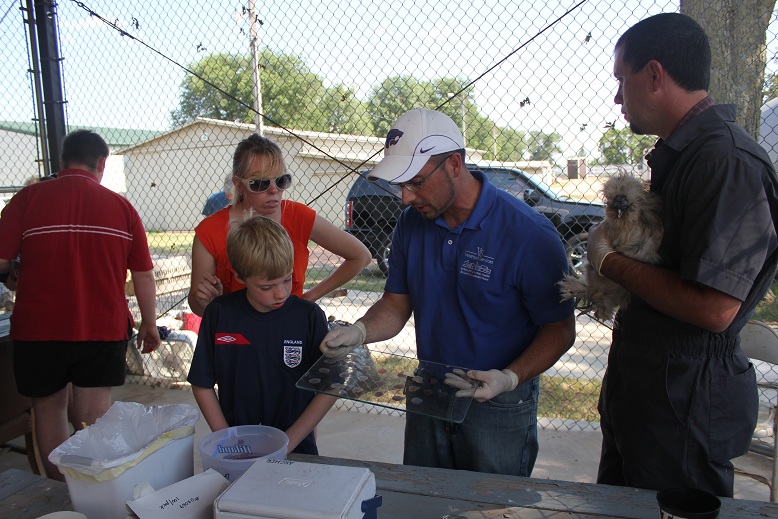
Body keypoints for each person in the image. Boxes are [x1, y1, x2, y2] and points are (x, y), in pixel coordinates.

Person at [319, 108, 576, 476]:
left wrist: (510, 377)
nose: (405, 198)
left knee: (491, 508)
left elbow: (560, 329)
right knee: (425, 497)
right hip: (431, 390)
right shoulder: (411, 224)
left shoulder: (528, 235)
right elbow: (395, 305)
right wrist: (360, 332)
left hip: (498, 400)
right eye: (400, 185)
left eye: (417, 182)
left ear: (454, 164)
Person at [589, 12, 778, 498]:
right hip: (652, 390)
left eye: (621, 81)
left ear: (654, 75)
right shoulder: (683, 155)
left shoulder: (725, 162)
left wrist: (610, 263)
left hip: (685, 400)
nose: (616, 97)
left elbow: (715, 308)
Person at [0, 129, 161, 480]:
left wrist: (15, 275)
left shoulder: (26, 199)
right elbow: (144, 275)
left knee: (48, 408)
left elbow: (1, 263)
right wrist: (149, 324)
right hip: (101, 328)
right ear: (101, 163)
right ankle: (93, 487)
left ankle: (62, 489)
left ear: (62, 161)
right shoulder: (122, 208)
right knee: (93, 415)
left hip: (38, 329)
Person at [187, 214, 336, 454]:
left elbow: (329, 387)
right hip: (238, 448)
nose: (281, 293)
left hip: (296, 447)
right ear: (239, 276)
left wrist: (289, 442)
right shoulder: (220, 314)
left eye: (287, 279)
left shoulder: (309, 317)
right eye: (267, 287)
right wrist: (227, 439)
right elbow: (202, 384)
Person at [188, 134, 371, 316]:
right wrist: (211, 304)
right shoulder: (210, 231)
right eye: (260, 183)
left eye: (281, 180)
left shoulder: (298, 216)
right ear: (239, 184)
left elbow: (361, 256)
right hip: (236, 332)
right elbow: (196, 301)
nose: (274, 190)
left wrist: (307, 299)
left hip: (288, 330)